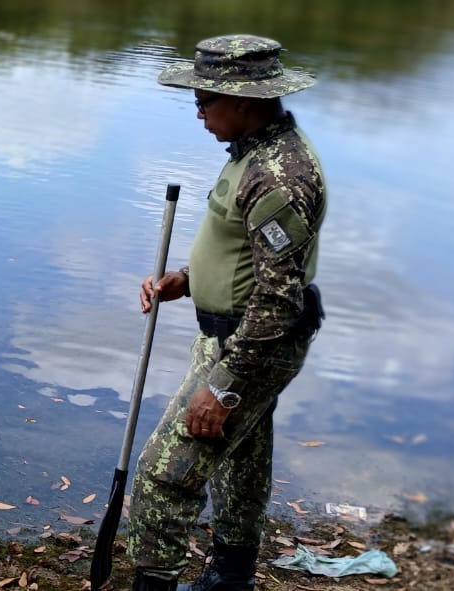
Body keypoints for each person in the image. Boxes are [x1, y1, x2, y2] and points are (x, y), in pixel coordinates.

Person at [127, 36, 327, 591]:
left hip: (249, 347)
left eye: (204, 99)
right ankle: (231, 579)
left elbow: (277, 298)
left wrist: (225, 385)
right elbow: (250, 258)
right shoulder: (253, 153)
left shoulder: (278, 177)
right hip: (234, 336)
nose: (197, 111)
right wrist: (188, 282)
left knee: (165, 478)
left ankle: (155, 584)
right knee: (239, 462)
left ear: (243, 101)